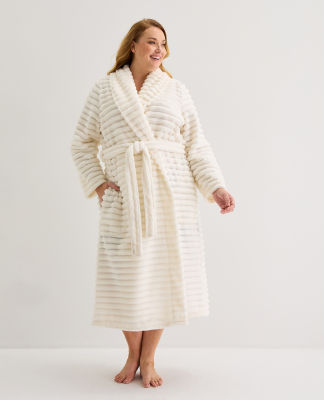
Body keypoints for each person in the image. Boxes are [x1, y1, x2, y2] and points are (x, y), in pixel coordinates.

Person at [71, 18, 235, 388]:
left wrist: (216, 187)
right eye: (151, 42)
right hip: (125, 194)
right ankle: (133, 353)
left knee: (161, 277)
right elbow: (81, 142)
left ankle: (148, 358)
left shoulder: (176, 90)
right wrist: (98, 183)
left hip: (170, 194)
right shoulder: (104, 90)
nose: (159, 49)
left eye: (163, 43)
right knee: (127, 279)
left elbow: (196, 146)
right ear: (133, 45)